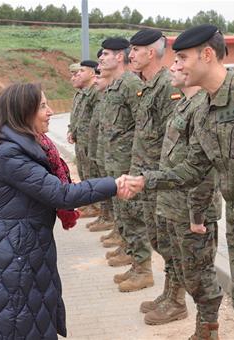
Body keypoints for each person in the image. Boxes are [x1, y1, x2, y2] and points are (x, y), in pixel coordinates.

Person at [124, 25, 234, 339]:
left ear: (207, 54)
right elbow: (192, 169)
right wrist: (146, 180)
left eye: (182, 58)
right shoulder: (205, 110)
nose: (176, 65)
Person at [0, 83, 131, 339]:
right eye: (42, 106)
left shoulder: (26, 147)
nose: (50, 111)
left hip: (20, 248)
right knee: (12, 323)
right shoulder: (10, 155)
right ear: (22, 112)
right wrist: (113, 185)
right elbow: (61, 194)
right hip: (8, 254)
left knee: (30, 320)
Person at [143, 60, 224, 331]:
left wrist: (196, 213)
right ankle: (177, 302)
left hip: (192, 208)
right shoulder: (184, 104)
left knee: (200, 275)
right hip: (173, 202)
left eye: (179, 63)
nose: (173, 69)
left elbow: (204, 168)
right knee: (180, 265)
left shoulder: (202, 106)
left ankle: (207, 330)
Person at [113, 28, 182, 294]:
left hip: (160, 180)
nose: (131, 55)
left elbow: (172, 139)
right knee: (157, 239)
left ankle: (175, 299)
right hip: (146, 178)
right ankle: (168, 294)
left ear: (151, 53)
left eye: (135, 50)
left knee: (167, 242)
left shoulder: (167, 86)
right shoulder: (147, 87)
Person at [97, 37, 145, 268]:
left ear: (119, 57)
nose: (101, 58)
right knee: (122, 211)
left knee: (132, 212)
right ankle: (129, 249)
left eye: (106, 54)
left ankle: (141, 266)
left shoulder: (130, 84)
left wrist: (136, 164)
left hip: (127, 163)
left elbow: (142, 124)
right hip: (115, 161)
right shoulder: (113, 86)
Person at [67, 60, 106, 219]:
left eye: (81, 71)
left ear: (91, 73)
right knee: (84, 172)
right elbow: (78, 116)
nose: (75, 76)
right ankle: (90, 204)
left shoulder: (95, 92)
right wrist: (72, 130)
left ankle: (96, 206)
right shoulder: (82, 93)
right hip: (82, 140)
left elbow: (96, 119)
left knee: (93, 173)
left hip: (91, 141)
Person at [86, 62, 117, 233]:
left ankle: (123, 236)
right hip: (103, 151)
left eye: (99, 76)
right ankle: (107, 218)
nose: (95, 80)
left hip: (117, 155)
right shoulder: (104, 96)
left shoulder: (126, 88)